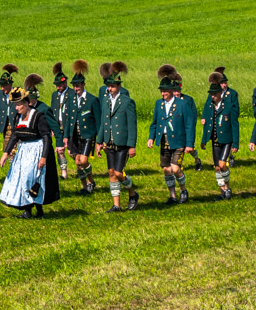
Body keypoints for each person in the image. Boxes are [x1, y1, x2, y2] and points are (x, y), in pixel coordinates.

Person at [0, 81, 59, 218]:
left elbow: (46, 137)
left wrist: (43, 157)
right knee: (21, 179)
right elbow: (14, 136)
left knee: (30, 179)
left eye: (19, 104)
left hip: (36, 149)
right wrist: (5, 153)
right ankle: (27, 210)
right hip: (23, 150)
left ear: (26, 103)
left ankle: (39, 210)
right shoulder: (17, 117)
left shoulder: (38, 116)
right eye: (15, 105)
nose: (17, 107)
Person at [98, 63, 141, 210]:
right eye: (108, 86)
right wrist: (99, 141)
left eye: (113, 86)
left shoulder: (127, 102)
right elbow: (103, 122)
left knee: (118, 172)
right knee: (111, 173)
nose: (110, 89)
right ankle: (116, 205)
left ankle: (132, 193)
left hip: (122, 143)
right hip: (109, 142)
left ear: (119, 86)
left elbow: (132, 125)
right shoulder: (105, 101)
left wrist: (132, 146)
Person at [151, 65, 196, 204]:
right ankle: (172, 196)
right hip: (164, 140)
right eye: (161, 91)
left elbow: (189, 125)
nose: (162, 93)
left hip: (178, 141)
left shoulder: (182, 104)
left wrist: (189, 144)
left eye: (165, 91)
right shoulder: (159, 104)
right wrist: (151, 138)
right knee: (166, 169)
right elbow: (154, 123)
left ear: (171, 90)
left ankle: (183, 190)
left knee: (176, 169)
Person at [199, 67, 239, 201]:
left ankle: (227, 188)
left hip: (226, 140)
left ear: (220, 93)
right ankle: (222, 192)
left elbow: (235, 125)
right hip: (215, 140)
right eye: (211, 94)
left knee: (222, 164)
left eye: (215, 94)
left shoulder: (228, 105)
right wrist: (204, 140)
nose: (212, 96)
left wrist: (236, 143)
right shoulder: (210, 105)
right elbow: (207, 125)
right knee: (217, 167)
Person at [62, 62, 100, 193]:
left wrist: (100, 140)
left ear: (83, 84)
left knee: (83, 161)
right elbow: (68, 120)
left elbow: (98, 121)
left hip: (87, 134)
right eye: (74, 86)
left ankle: (91, 181)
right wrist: (66, 136)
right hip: (75, 135)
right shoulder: (71, 99)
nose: (76, 88)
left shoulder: (92, 100)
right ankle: (84, 187)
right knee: (77, 162)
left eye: (78, 85)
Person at [0, 64, 19, 142]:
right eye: (1, 86)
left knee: (16, 147)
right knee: (7, 147)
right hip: (6, 126)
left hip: (17, 126)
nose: (2, 88)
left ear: (10, 85)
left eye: (4, 86)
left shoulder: (17, 93)